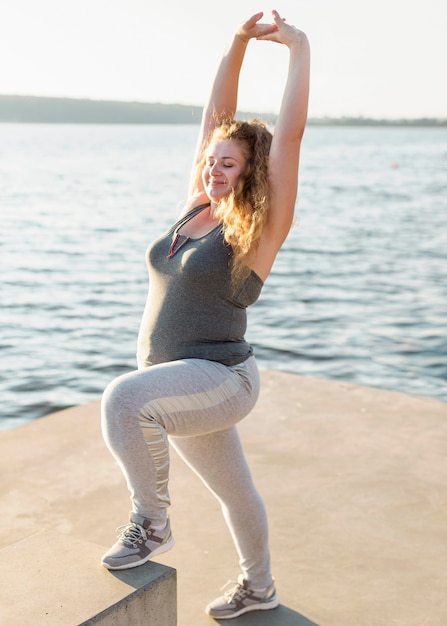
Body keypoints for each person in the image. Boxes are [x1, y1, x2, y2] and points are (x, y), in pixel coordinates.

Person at [101, 9, 310, 620]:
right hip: (180, 384)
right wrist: (238, 42)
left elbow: (290, 137)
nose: (213, 168)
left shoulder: (259, 230)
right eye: (211, 159)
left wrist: (297, 47)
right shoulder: (194, 206)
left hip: (221, 379)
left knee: (121, 400)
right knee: (235, 491)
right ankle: (259, 588)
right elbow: (215, 116)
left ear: (251, 174)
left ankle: (152, 521)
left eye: (229, 163)